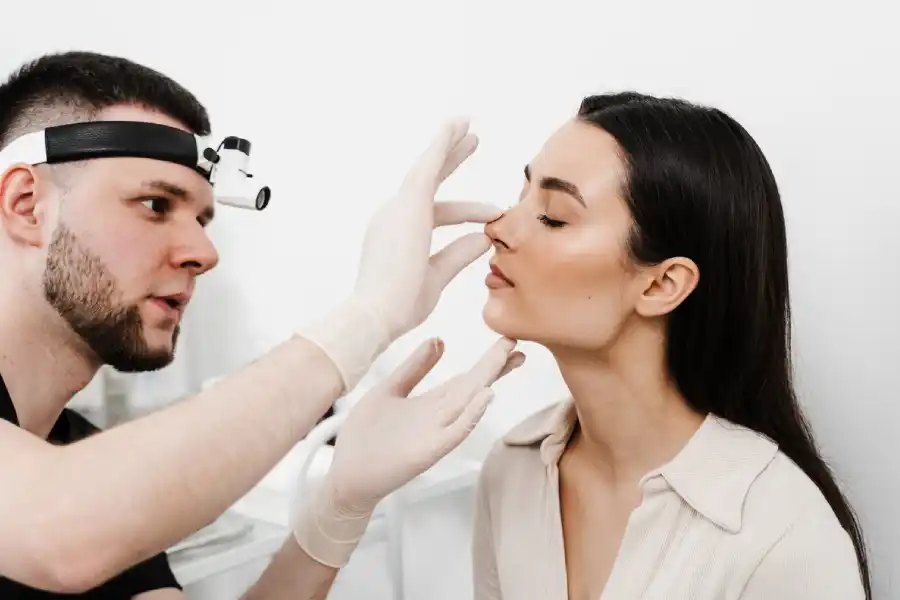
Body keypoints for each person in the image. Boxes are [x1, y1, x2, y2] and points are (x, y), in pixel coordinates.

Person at [0, 50, 526, 599]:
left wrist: (340, 505)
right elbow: (59, 534)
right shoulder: (73, 505)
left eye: (202, 219)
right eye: (156, 204)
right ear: (26, 203)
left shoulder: (87, 467)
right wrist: (367, 317)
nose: (204, 252)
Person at [471, 91, 871, 600]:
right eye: (521, 196)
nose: (497, 229)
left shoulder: (782, 536)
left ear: (662, 284)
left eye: (553, 216)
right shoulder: (512, 470)